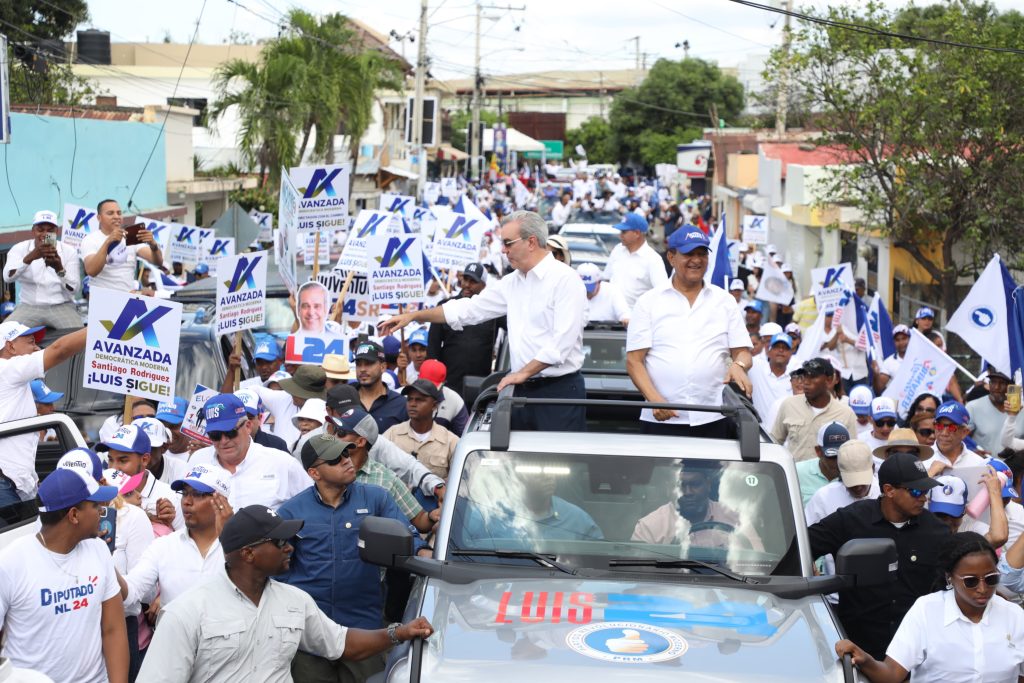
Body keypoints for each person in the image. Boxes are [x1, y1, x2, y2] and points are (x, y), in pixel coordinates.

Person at [137, 505, 435, 683]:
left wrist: (399, 632)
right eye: (280, 542)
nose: (290, 547)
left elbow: (342, 644)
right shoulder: (186, 612)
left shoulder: (295, 601)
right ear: (249, 554)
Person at [380, 211, 588, 432]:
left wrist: (522, 373)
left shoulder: (566, 280)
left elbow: (560, 345)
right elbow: (468, 309)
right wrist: (414, 315)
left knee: (556, 462)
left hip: (557, 391)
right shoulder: (512, 283)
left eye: (508, 243)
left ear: (531, 242)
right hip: (518, 389)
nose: (503, 250)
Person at [277, 435, 432, 682]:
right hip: (310, 633)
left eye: (346, 455)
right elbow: (276, 568)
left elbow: (408, 540)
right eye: (335, 460)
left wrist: (429, 557)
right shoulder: (291, 511)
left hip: (364, 629)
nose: (347, 462)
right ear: (314, 473)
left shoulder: (375, 498)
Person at [808, 452, 949, 659]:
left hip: (916, 652)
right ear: (889, 490)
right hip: (857, 649)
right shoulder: (850, 520)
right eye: (916, 491)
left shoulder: (937, 532)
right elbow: (802, 546)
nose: (923, 498)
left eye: (926, 490)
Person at [836, 533, 1024, 682]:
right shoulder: (926, 610)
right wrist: (865, 659)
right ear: (949, 577)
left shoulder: (1014, 615)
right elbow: (892, 674)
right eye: (971, 581)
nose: (982, 589)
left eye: (991, 579)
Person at [0, 468, 128, 683]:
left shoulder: (98, 549)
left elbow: (113, 629)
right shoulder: (11, 563)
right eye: (96, 505)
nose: (102, 511)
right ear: (74, 515)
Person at [626, 228, 752, 437]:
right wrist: (654, 399)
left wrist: (738, 365)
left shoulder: (725, 301)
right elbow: (634, 361)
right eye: (689, 254)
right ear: (671, 257)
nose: (696, 260)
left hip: (714, 416)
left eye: (702, 253)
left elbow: (743, 352)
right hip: (661, 418)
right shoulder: (649, 302)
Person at [121, 465, 232, 619]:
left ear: (222, 501)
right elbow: (132, 590)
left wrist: (230, 540)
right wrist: (104, 559)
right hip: (175, 640)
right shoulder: (164, 546)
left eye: (198, 494)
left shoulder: (239, 546)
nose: (187, 501)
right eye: (185, 493)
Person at [0, 322, 88, 506]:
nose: (36, 348)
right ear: (10, 346)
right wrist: (106, 327)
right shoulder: (7, 369)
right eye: (31, 341)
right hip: (4, 482)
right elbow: (59, 350)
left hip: (10, 483)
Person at [187, 394, 311, 509]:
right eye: (215, 435)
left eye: (230, 432)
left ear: (248, 426)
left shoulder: (283, 464)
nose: (223, 441)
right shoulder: (198, 460)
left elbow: (313, 507)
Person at [329, 408, 436, 533]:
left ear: (360, 441)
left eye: (341, 433)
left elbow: (419, 520)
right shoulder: (323, 469)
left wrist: (432, 516)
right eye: (334, 431)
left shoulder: (386, 479)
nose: (334, 437)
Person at [632, 463, 762, 550]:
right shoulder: (649, 526)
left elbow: (757, 562)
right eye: (681, 485)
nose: (688, 492)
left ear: (708, 485)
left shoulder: (735, 518)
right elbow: (636, 574)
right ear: (669, 489)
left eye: (695, 484)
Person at [425, 262, 503, 397]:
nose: (467, 284)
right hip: (449, 383)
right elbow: (433, 347)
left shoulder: (493, 311)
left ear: (483, 285)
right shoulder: (445, 306)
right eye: (465, 279)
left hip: (481, 384)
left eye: (473, 281)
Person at [3, 209, 82, 328]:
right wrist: (29, 258)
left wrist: (59, 269)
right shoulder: (19, 249)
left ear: (56, 231)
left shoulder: (69, 251)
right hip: (29, 306)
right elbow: (7, 277)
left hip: (62, 306)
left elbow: (74, 289)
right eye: (40, 230)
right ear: (33, 231)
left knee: (77, 338)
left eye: (50, 230)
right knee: (4, 336)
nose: (45, 234)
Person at [771, 358, 860, 462]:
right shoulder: (789, 405)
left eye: (813, 377)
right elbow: (774, 443)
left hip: (829, 477)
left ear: (829, 380)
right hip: (794, 475)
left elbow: (851, 454)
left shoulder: (846, 414)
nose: (806, 382)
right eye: (804, 376)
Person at [102, 424, 184, 531]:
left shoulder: (171, 498)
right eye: (110, 459)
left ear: (145, 460)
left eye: (123, 460)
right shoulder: (102, 493)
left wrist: (166, 527)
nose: (114, 468)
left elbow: (186, 543)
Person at [384, 379, 459, 480]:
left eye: (419, 400)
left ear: (434, 405)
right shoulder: (392, 434)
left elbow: (459, 481)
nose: (412, 404)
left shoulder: (450, 442)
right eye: (409, 399)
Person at [80, 200, 162, 292]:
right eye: (110, 213)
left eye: (119, 213)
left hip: (128, 297)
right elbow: (91, 271)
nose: (116, 216)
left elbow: (158, 262)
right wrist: (108, 242)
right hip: (103, 299)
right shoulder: (90, 239)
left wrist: (154, 245)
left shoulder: (131, 236)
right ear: (99, 218)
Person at [805, 441, 880, 528]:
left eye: (862, 480)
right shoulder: (823, 498)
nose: (858, 487)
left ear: (873, 469)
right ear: (839, 471)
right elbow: (807, 533)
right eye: (851, 481)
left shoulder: (885, 493)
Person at [602, 212, 668, 311]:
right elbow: (606, 279)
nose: (620, 236)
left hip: (636, 318)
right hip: (611, 316)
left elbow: (662, 293)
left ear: (637, 233)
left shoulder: (653, 259)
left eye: (624, 232)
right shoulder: (618, 250)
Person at [929, 473, 1009, 547]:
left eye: (954, 514)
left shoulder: (971, 528)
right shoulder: (922, 525)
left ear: (964, 510)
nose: (948, 521)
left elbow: (998, 537)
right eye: (940, 514)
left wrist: (994, 492)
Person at [352, 341, 409, 433]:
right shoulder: (345, 399)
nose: (362, 369)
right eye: (358, 364)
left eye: (368, 363)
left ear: (383, 367)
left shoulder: (401, 404)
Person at [967, 367, 1024, 455]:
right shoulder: (973, 407)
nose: (997, 387)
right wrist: (972, 452)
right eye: (993, 382)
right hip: (983, 466)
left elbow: (1010, 442)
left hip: (1016, 467)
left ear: (1011, 386)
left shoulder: (1022, 409)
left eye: (1002, 383)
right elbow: (961, 438)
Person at [795, 422, 851, 506]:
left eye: (843, 455)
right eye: (833, 456)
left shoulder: (856, 474)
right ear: (818, 451)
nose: (839, 461)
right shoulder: (796, 472)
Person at [925, 400, 987, 475]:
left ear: (964, 432)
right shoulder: (922, 460)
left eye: (952, 428)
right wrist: (929, 474)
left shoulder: (978, 464)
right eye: (939, 426)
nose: (944, 433)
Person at [750, 333, 795, 428]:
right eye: (776, 347)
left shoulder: (797, 379)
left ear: (791, 354)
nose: (781, 350)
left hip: (785, 437)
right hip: (759, 433)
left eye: (785, 348)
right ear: (768, 352)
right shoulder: (755, 366)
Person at [416, 359, 469, 436]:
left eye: (433, 386)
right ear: (418, 378)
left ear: (443, 383)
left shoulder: (455, 400)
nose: (428, 390)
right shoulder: (404, 396)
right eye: (424, 384)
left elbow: (464, 437)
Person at [234, 388, 290, 454]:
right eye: (239, 417)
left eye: (249, 417)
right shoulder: (222, 446)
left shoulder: (277, 446)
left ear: (259, 418)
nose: (246, 423)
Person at [874, 325, 911, 393]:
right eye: (897, 340)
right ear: (894, 342)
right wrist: (876, 375)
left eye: (904, 338)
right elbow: (878, 389)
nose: (901, 342)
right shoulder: (889, 363)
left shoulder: (919, 357)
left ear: (910, 339)